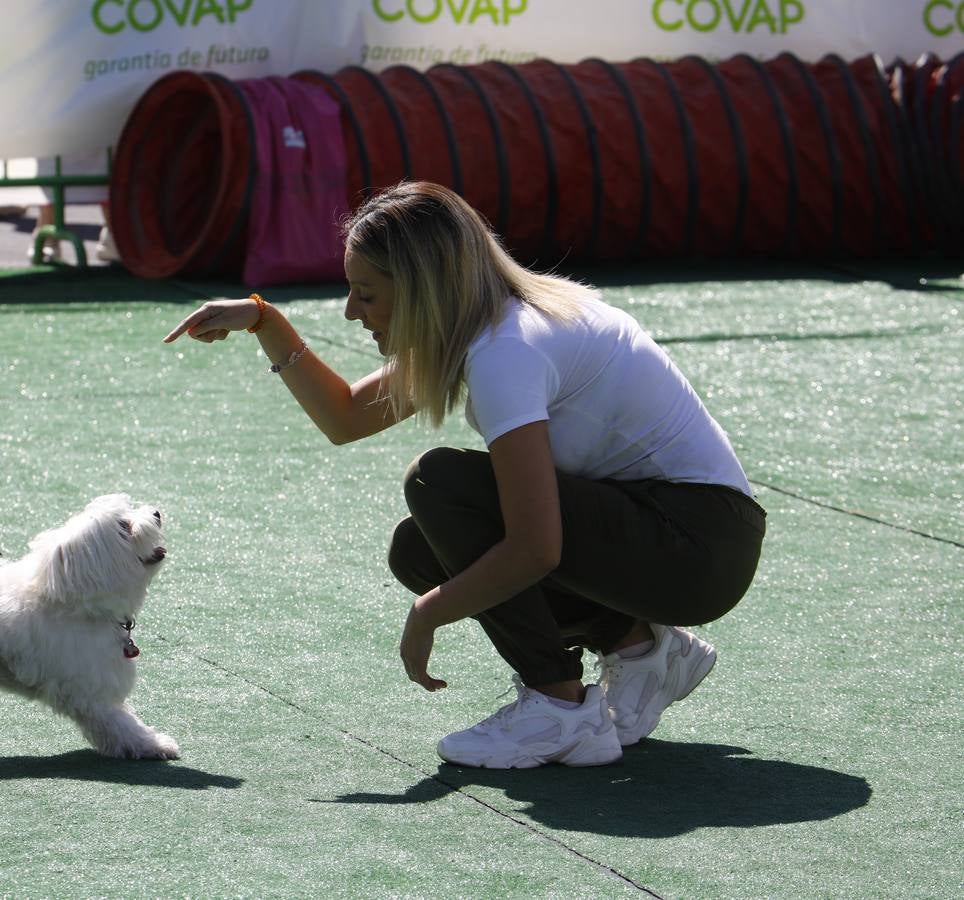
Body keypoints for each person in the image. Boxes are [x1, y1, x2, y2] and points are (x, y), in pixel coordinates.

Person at [163, 182, 765, 769]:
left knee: (438, 483)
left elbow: (536, 546)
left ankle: (561, 709)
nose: (351, 312)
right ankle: (641, 648)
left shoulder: (508, 350)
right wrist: (264, 321)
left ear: (424, 289)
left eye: (366, 294)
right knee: (421, 549)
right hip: (689, 536)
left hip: (698, 545)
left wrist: (428, 614)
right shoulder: (487, 321)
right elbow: (346, 416)